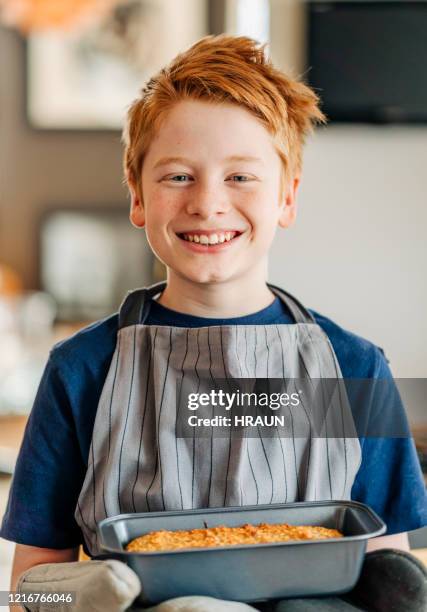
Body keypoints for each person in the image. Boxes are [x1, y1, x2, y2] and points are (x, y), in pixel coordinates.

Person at [1, 35, 426, 611]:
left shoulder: (350, 370)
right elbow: (32, 585)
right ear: (138, 197)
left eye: (241, 177)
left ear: (287, 198)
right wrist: (80, 598)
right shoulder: (86, 370)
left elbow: (389, 570)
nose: (207, 202)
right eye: (177, 176)